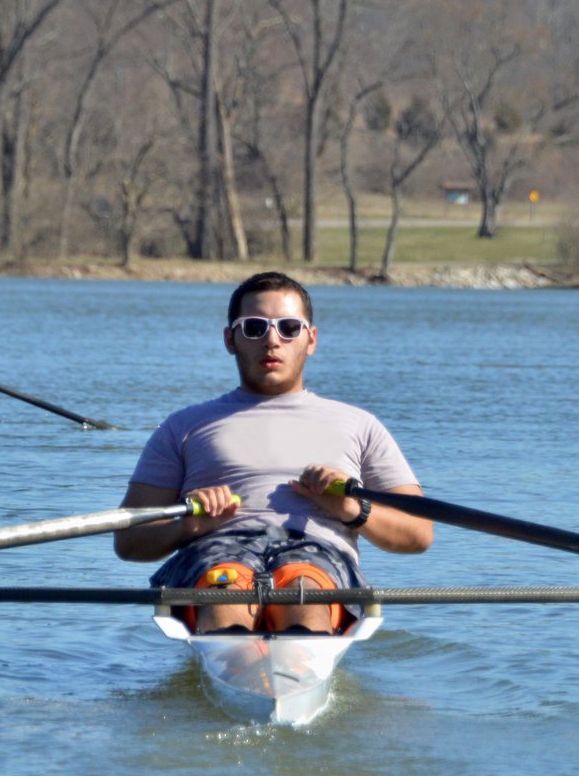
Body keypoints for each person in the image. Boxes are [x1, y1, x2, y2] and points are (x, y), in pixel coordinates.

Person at [114, 270, 431, 634]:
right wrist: (188, 527)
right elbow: (129, 540)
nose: (272, 340)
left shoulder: (360, 425)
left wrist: (352, 510)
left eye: (289, 327)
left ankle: (295, 659)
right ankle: (233, 655)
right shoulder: (181, 427)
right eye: (254, 327)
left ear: (310, 340)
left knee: (303, 592)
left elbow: (419, 533)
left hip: (317, 556)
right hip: (218, 551)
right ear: (230, 339)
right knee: (228, 591)